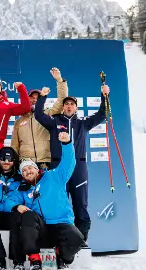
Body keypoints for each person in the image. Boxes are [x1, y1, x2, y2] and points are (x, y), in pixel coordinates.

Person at [34, 84, 108, 244]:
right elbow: (38, 115)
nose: (68, 106)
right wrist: (42, 98)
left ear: (76, 107)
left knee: (80, 204)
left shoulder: (83, 123)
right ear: (62, 106)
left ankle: (80, 242)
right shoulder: (54, 121)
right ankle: (58, 242)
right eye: (66, 104)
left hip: (79, 168)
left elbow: (103, 114)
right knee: (58, 204)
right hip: (58, 167)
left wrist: (104, 96)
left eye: (72, 104)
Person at [7, 132, 84, 270]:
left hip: (61, 223)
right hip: (41, 229)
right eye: (24, 170)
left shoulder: (54, 176)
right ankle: (34, 258)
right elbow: (9, 201)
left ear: (36, 169)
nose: (28, 171)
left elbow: (69, 162)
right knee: (28, 216)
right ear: (22, 175)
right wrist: (16, 206)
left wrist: (66, 144)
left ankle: (63, 257)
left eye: (30, 168)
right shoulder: (22, 189)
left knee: (77, 240)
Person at [11, 68, 67, 169]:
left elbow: (62, 101)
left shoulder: (49, 113)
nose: (35, 100)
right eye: (31, 97)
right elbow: (14, 146)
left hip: (46, 162)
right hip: (26, 164)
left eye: (38, 97)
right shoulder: (19, 121)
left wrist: (60, 81)